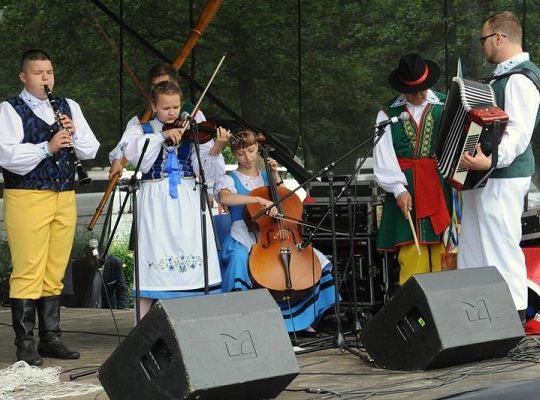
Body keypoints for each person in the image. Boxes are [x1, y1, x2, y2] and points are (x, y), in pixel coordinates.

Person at [0, 49, 100, 365]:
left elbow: (91, 149)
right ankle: (25, 343)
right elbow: (7, 156)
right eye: (38, 73)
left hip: (63, 194)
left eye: (49, 72)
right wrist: (48, 146)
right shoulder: (9, 109)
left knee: (55, 268)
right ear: (23, 76)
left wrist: (73, 132)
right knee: (29, 267)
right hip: (27, 196)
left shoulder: (68, 107)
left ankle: (50, 338)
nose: (46, 78)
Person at [121, 81, 229, 319]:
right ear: (153, 105)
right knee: (153, 262)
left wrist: (216, 148)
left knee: (193, 262)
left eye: (176, 107)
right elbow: (133, 155)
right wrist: (161, 136)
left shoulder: (191, 130)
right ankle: (142, 331)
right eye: (165, 108)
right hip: (155, 201)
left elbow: (208, 174)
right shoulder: (141, 129)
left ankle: (195, 326)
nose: (172, 112)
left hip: (187, 201)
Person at [458, 11, 540, 320]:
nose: (483, 47)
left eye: (483, 40)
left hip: (503, 174)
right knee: (475, 245)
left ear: (498, 38)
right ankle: (477, 315)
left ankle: (515, 313)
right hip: (487, 174)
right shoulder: (502, 78)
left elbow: (519, 133)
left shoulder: (520, 78)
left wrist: (491, 159)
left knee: (500, 243)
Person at [213, 129, 336, 333]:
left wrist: (275, 176)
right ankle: (242, 319)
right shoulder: (229, 179)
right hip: (243, 234)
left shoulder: (265, 176)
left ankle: (302, 319)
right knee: (239, 258)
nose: (248, 157)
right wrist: (257, 199)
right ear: (234, 154)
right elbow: (225, 198)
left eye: (252, 151)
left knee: (316, 260)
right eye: (241, 153)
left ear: (258, 149)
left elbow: (287, 203)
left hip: (275, 234)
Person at [373, 53, 452, 286]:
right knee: (412, 256)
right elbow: (383, 156)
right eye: (412, 90)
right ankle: (417, 314)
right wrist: (398, 190)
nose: (418, 95)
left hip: (441, 187)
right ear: (402, 88)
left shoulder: (447, 105)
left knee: (446, 254)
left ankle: (448, 312)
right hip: (407, 187)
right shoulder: (387, 113)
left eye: (422, 88)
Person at [108, 63, 186, 179]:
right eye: (156, 86)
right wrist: (116, 158)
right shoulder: (140, 120)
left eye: (165, 85)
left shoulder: (193, 114)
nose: (161, 89)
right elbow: (125, 145)